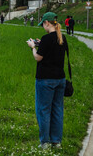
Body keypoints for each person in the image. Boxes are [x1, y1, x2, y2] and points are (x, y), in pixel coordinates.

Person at [26, 12, 68, 150]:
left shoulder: (46, 38)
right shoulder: (62, 38)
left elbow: (38, 57)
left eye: (43, 24)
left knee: (43, 111)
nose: (43, 27)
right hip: (60, 79)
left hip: (45, 80)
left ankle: (44, 142)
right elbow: (53, 51)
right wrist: (40, 43)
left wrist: (33, 46)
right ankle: (56, 142)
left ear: (47, 23)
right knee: (57, 110)